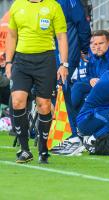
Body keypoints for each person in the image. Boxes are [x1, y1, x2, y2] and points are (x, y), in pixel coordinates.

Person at [5, 0, 68, 164]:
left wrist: (63, 64)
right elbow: (12, 35)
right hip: (21, 60)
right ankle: (25, 150)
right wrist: (8, 62)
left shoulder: (53, 6)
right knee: (18, 100)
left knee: (44, 105)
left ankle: (43, 148)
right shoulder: (17, 5)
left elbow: (61, 37)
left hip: (45, 60)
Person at [55, 0, 91, 149]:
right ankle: (68, 134)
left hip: (67, 50)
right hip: (49, 51)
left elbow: (82, 25)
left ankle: (72, 137)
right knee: (59, 91)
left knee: (60, 89)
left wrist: (83, 48)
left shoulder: (70, 2)